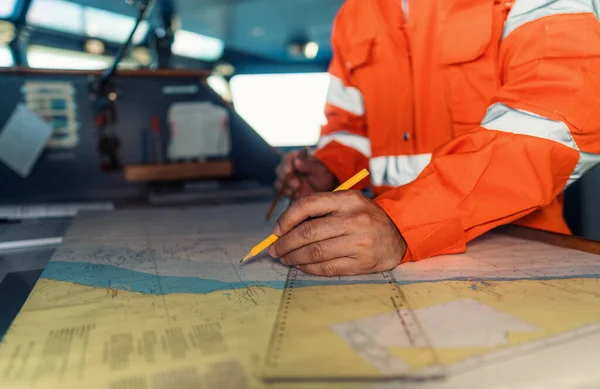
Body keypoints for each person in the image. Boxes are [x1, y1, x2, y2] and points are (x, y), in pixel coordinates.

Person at [268, 0, 600, 276]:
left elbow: (555, 119)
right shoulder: (354, 15)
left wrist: (407, 220)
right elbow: (351, 127)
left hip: (518, 253)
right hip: (385, 257)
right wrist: (330, 168)